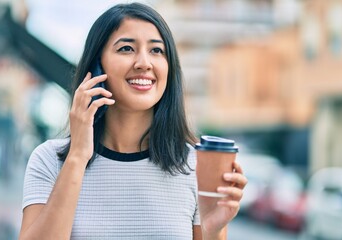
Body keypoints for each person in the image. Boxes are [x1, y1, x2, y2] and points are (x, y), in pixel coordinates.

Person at [19, 2, 248, 240]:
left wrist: (214, 230)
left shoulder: (194, 166)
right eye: (126, 48)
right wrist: (77, 156)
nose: (144, 63)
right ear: (97, 67)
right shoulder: (49, 161)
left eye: (157, 51)